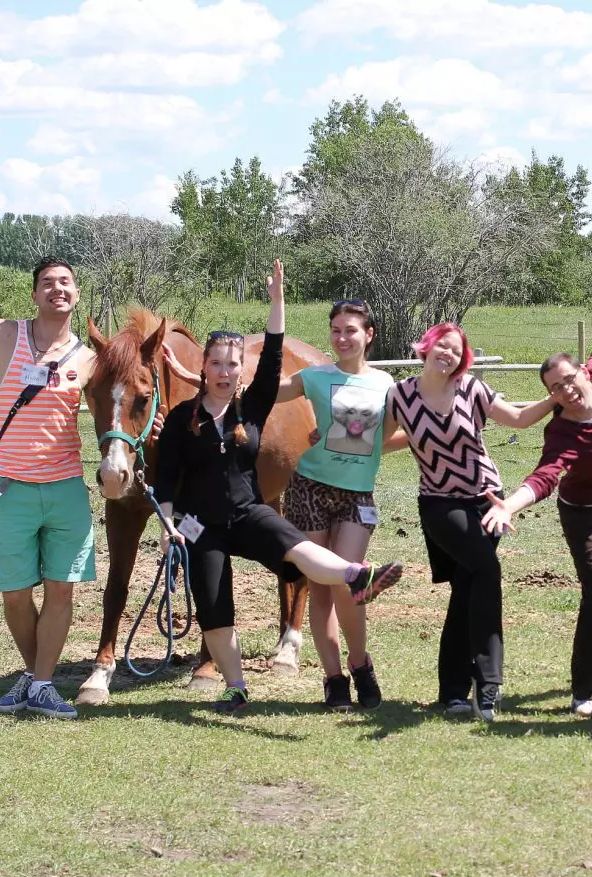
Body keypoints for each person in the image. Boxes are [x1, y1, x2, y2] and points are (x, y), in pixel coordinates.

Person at [154, 261, 402, 714]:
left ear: (239, 370)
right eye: (216, 364)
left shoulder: (252, 407)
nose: (224, 371)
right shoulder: (179, 419)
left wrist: (277, 303)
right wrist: (169, 522)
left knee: (294, 547)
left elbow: (270, 356)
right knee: (213, 602)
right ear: (204, 367)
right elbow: (166, 474)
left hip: (248, 512)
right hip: (196, 523)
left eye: (232, 364)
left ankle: (356, 575)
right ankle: (235, 684)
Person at [480, 259, 592, 718]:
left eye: (570, 379)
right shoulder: (563, 432)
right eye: (556, 388)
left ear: (583, 373)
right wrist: (510, 504)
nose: (567, 390)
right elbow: (544, 477)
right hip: (582, 513)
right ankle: (583, 688)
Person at [386, 323, 555, 721]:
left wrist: (555, 397)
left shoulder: (471, 389)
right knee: (486, 570)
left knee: (466, 591)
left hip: (487, 501)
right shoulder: (401, 395)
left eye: (456, 351)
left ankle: (454, 693)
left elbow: (516, 418)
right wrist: (335, 437)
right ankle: (490, 682)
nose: (448, 354)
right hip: (440, 504)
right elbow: (379, 441)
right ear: (427, 347)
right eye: (442, 346)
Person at [275, 299, 406, 711]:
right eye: (335, 330)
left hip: (357, 495)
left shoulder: (388, 385)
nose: (342, 338)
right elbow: (262, 394)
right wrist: (201, 376)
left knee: (352, 587)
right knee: (320, 590)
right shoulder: (313, 377)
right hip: (309, 489)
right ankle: (333, 680)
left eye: (351, 330)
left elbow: (384, 439)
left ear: (369, 335)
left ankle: (360, 664)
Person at [0, 258, 98, 720]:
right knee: (15, 593)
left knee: (61, 590)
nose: (57, 288)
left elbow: (126, 400)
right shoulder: (6, 336)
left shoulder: (89, 357)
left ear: (76, 292)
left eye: (65, 282)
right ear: (34, 294)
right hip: (7, 487)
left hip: (65, 489)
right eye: (47, 283)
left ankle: (38, 683)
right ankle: (38, 677)